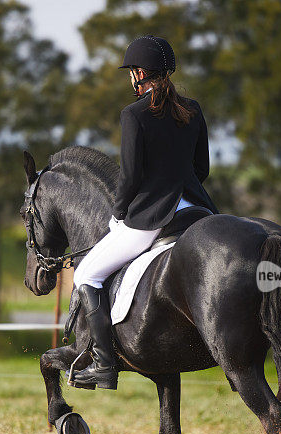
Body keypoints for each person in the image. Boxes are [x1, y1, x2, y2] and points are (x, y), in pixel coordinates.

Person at [71, 35, 220, 391]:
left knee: (86, 275)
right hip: (197, 210)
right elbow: (202, 169)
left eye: (132, 72)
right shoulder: (194, 109)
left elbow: (131, 176)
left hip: (152, 217)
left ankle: (104, 366)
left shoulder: (133, 114)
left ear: (139, 73)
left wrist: (118, 214)